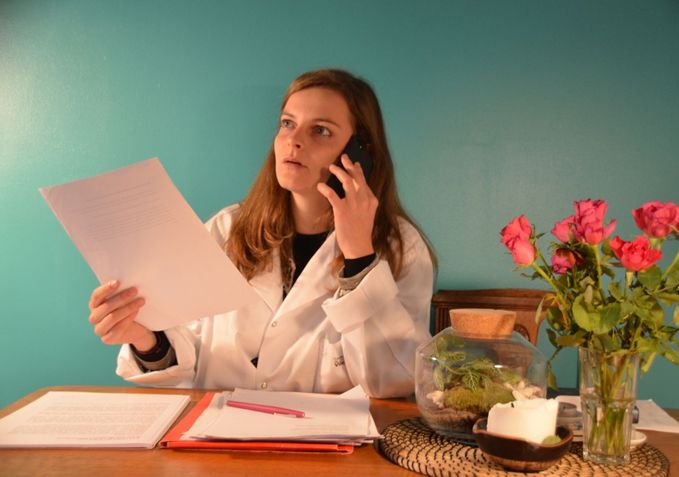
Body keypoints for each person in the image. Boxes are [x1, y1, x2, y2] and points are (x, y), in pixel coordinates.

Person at [87, 69, 436, 398]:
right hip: (218, 447)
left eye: (321, 130)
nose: (293, 142)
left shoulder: (401, 248)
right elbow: (184, 357)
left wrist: (360, 257)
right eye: (288, 124)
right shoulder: (226, 230)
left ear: (360, 154)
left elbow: (397, 380)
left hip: (333, 455)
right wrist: (144, 338)